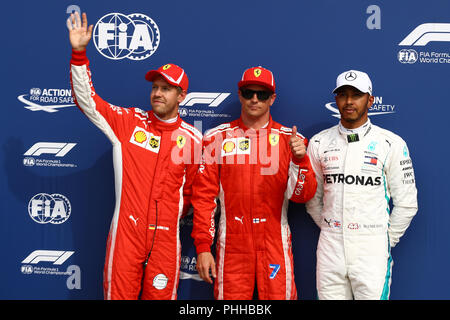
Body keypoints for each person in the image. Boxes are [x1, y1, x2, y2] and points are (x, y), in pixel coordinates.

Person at [67, 12, 202, 299]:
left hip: (166, 238)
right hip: (127, 233)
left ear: (182, 96)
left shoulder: (193, 138)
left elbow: (197, 192)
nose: (157, 93)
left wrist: (174, 212)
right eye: (154, 87)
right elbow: (89, 102)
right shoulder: (129, 123)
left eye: (166, 89)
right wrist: (79, 55)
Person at [191, 66, 317, 300]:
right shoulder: (217, 138)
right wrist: (202, 247)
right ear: (240, 95)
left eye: (262, 94)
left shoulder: (292, 140)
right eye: (249, 93)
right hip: (232, 245)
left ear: (272, 99)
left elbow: (303, 195)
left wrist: (301, 161)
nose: (255, 99)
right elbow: (203, 197)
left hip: (274, 243)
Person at [305, 70, 418, 300]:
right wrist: (333, 228)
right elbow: (312, 199)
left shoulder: (391, 143)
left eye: (356, 95)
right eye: (343, 95)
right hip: (330, 246)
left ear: (370, 99)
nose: (348, 101)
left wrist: (383, 239)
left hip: (372, 247)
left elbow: (407, 204)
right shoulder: (319, 142)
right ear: (335, 99)